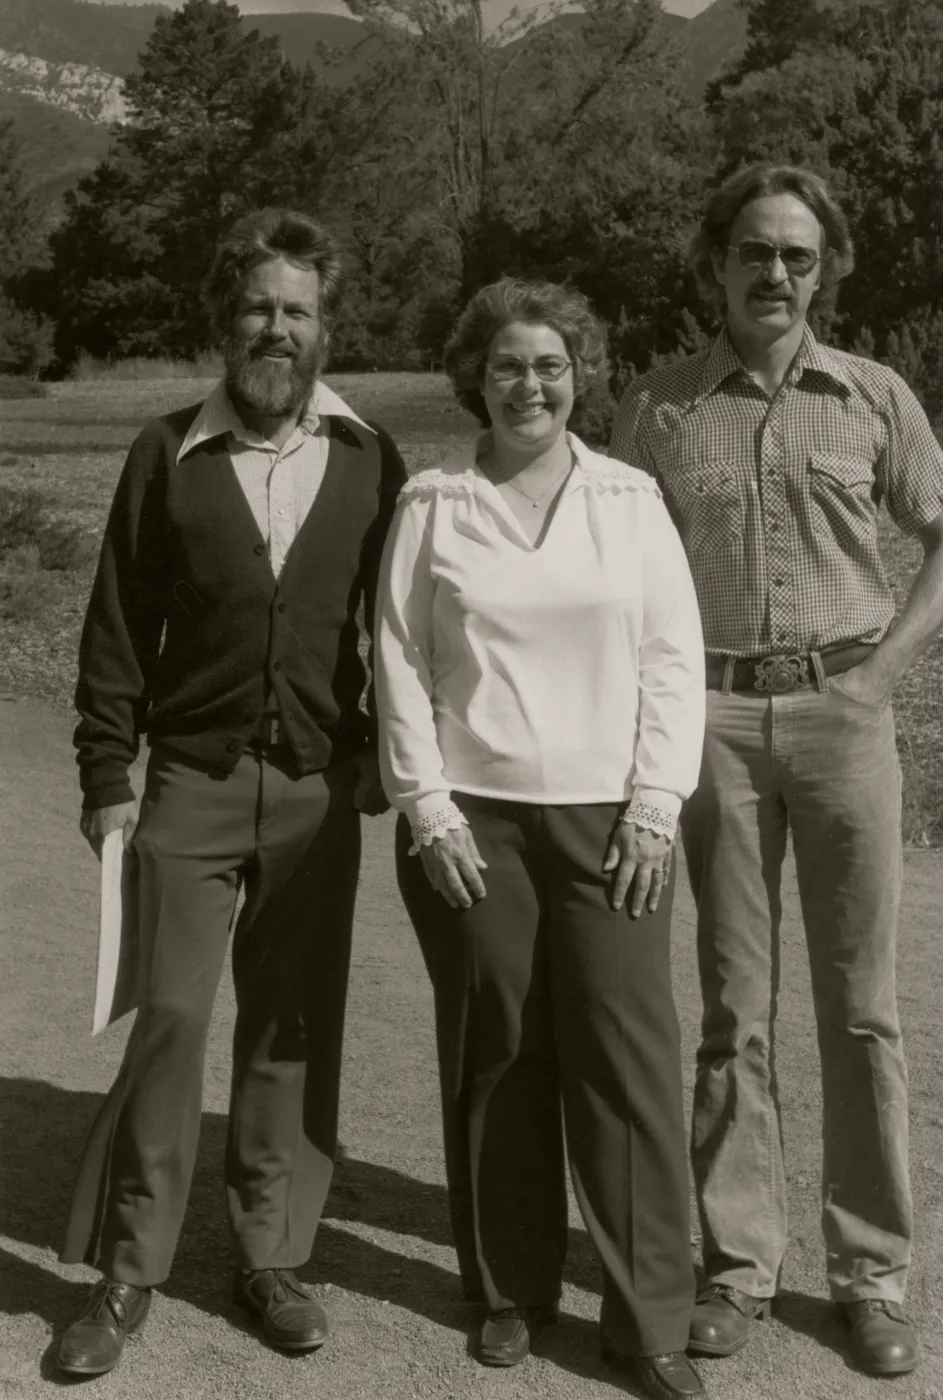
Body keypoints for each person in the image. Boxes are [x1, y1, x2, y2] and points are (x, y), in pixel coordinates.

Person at [610, 163, 943, 1379]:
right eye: (754, 252)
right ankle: (738, 1261)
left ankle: (870, 1273)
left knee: (863, 1007)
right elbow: (615, 569)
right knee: (731, 1006)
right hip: (709, 719)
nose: (775, 274)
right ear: (716, 264)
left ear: (828, 269)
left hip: (843, 714)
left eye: (798, 257)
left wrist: (877, 676)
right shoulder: (660, 408)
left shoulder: (874, 397)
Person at [55, 207, 407, 1377]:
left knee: (288, 1030)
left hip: (315, 790)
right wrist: (109, 770)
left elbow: (398, 628)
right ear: (225, 319)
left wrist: (374, 759)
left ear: (325, 326)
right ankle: (126, 1268)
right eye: (258, 306)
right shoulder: (167, 452)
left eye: (298, 310)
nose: (277, 327)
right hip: (191, 785)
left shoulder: (372, 456)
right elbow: (116, 625)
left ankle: (271, 1253)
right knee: (170, 1022)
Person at [375, 277, 708, 1400]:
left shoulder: (628, 498)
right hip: (475, 826)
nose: (532, 384)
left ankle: (651, 1315)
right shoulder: (432, 502)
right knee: (499, 1052)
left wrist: (659, 799)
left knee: (628, 1063)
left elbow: (673, 656)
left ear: (582, 376)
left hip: (615, 821)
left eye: (552, 365)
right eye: (510, 364)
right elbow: (400, 660)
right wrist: (426, 808)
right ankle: (512, 1288)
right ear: (479, 374)